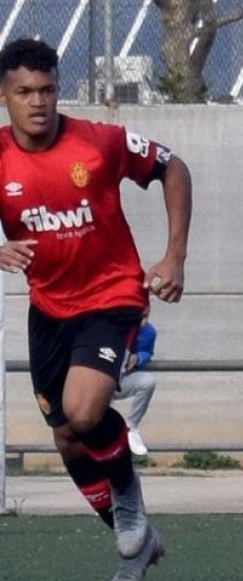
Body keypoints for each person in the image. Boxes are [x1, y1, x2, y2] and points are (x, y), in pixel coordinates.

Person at [0, 37, 192, 580]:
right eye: (24, 92)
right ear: (5, 96)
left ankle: (129, 500)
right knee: (66, 435)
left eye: (47, 90)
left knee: (84, 413)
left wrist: (174, 257)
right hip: (48, 307)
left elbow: (174, 168)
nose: (38, 102)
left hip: (111, 296)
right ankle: (137, 545)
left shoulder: (99, 142)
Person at [111, 309, 158, 457]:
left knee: (148, 382)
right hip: (101, 380)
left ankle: (131, 428)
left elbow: (148, 352)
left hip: (121, 380)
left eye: (145, 316)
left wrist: (139, 358)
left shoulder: (148, 332)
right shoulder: (113, 326)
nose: (141, 320)